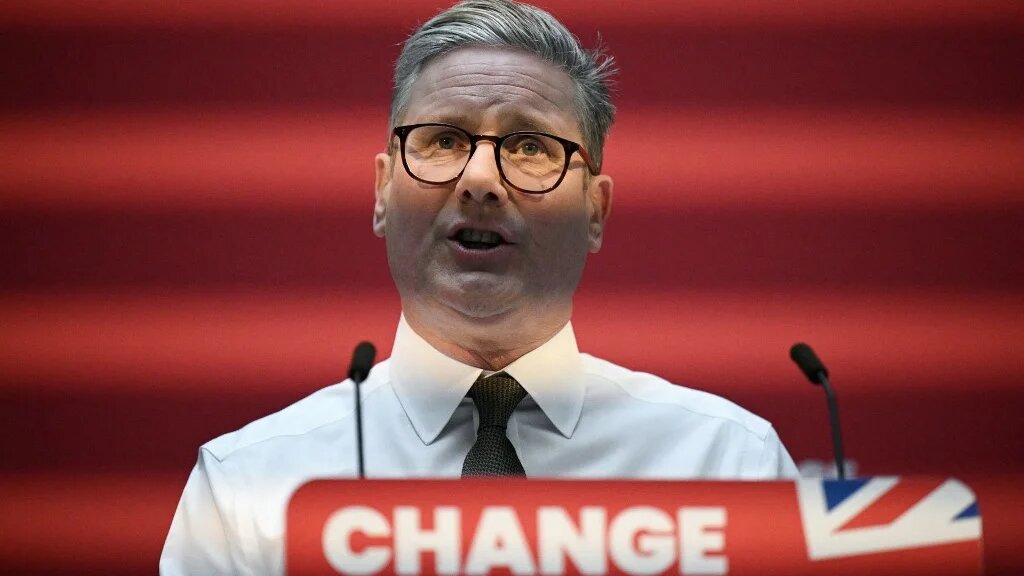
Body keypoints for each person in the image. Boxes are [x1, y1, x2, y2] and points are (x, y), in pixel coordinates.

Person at [161, 0, 798, 573]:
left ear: (596, 210)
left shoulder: (726, 467)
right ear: (383, 191)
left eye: (529, 146)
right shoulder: (250, 488)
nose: (481, 180)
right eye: (443, 140)